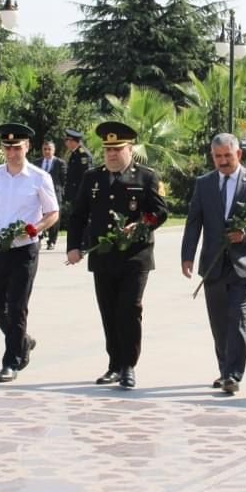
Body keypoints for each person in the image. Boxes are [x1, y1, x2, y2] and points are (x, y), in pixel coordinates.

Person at [66, 121, 168, 389]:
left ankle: (128, 365)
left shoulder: (146, 177)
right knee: (109, 311)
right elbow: (77, 215)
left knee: (129, 309)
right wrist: (73, 246)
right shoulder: (93, 178)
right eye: (107, 149)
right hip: (103, 256)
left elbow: (160, 212)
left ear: (129, 149)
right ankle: (114, 364)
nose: (111, 154)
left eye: (117, 149)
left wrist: (142, 224)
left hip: (135, 256)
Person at [181, 133, 246, 395]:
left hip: (244, 263)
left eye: (227, 156)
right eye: (218, 157)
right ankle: (224, 370)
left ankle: (233, 373)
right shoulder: (204, 183)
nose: (222, 161)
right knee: (219, 322)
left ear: (238, 154)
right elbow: (194, 221)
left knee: (237, 317)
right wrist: (187, 256)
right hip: (213, 264)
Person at [0, 123, 59, 383]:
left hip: (24, 250)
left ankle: (11, 361)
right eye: (7, 147)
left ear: (27, 147)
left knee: (18, 306)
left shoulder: (39, 177)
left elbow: (53, 213)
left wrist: (35, 229)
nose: (12, 152)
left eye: (17, 147)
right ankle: (23, 340)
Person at [38, 141, 67, 250]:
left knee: (54, 218)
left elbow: (64, 180)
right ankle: (39, 238)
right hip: (39, 195)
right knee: (39, 216)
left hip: (55, 194)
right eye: (44, 149)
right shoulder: (37, 162)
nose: (46, 151)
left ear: (53, 150)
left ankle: (52, 241)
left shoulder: (60, 163)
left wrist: (61, 192)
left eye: (49, 149)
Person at [62, 129, 92, 202]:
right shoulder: (75, 152)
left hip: (79, 193)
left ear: (72, 141)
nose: (66, 143)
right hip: (74, 192)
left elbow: (85, 175)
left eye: (67, 140)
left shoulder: (83, 154)